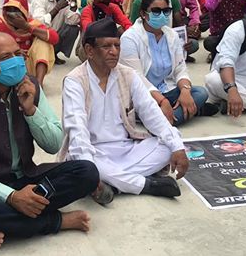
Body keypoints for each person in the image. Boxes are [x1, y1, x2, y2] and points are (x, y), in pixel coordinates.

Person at [0, 33, 99, 249]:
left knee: (87, 172)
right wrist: (11, 196)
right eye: (6, 58)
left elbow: (54, 144)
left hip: (28, 177)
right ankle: (55, 221)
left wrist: (31, 110)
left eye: (18, 54)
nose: (16, 62)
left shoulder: (30, 86)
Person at [61, 18, 189, 198]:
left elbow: (151, 113)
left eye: (117, 46)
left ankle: (113, 184)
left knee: (170, 145)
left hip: (127, 149)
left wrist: (177, 148)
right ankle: (147, 185)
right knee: (85, 165)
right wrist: (89, 169)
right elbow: (77, 132)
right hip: (93, 152)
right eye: (107, 46)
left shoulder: (128, 75)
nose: (114, 52)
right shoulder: (75, 81)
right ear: (89, 50)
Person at [121, 0, 210, 126]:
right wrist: (162, 101)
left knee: (201, 92)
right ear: (143, 14)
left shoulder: (171, 35)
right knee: (143, 106)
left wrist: (185, 91)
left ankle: (165, 117)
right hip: (142, 94)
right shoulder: (130, 38)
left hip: (167, 90)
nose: (162, 15)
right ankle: (181, 114)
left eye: (166, 11)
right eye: (156, 11)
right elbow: (136, 78)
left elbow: (180, 69)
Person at [0, 0, 58, 86]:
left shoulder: (31, 23)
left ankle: (38, 84)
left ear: (24, 11)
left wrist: (27, 27)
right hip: (6, 65)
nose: (12, 14)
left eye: (16, 10)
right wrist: (14, 52)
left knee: (43, 42)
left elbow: (54, 38)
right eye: (9, 10)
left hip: (27, 64)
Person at [30, 0, 80, 64]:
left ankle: (54, 53)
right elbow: (38, 23)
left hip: (54, 35)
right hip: (39, 36)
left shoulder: (65, 0)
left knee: (73, 28)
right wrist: (57, 9)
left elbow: (74, 20)